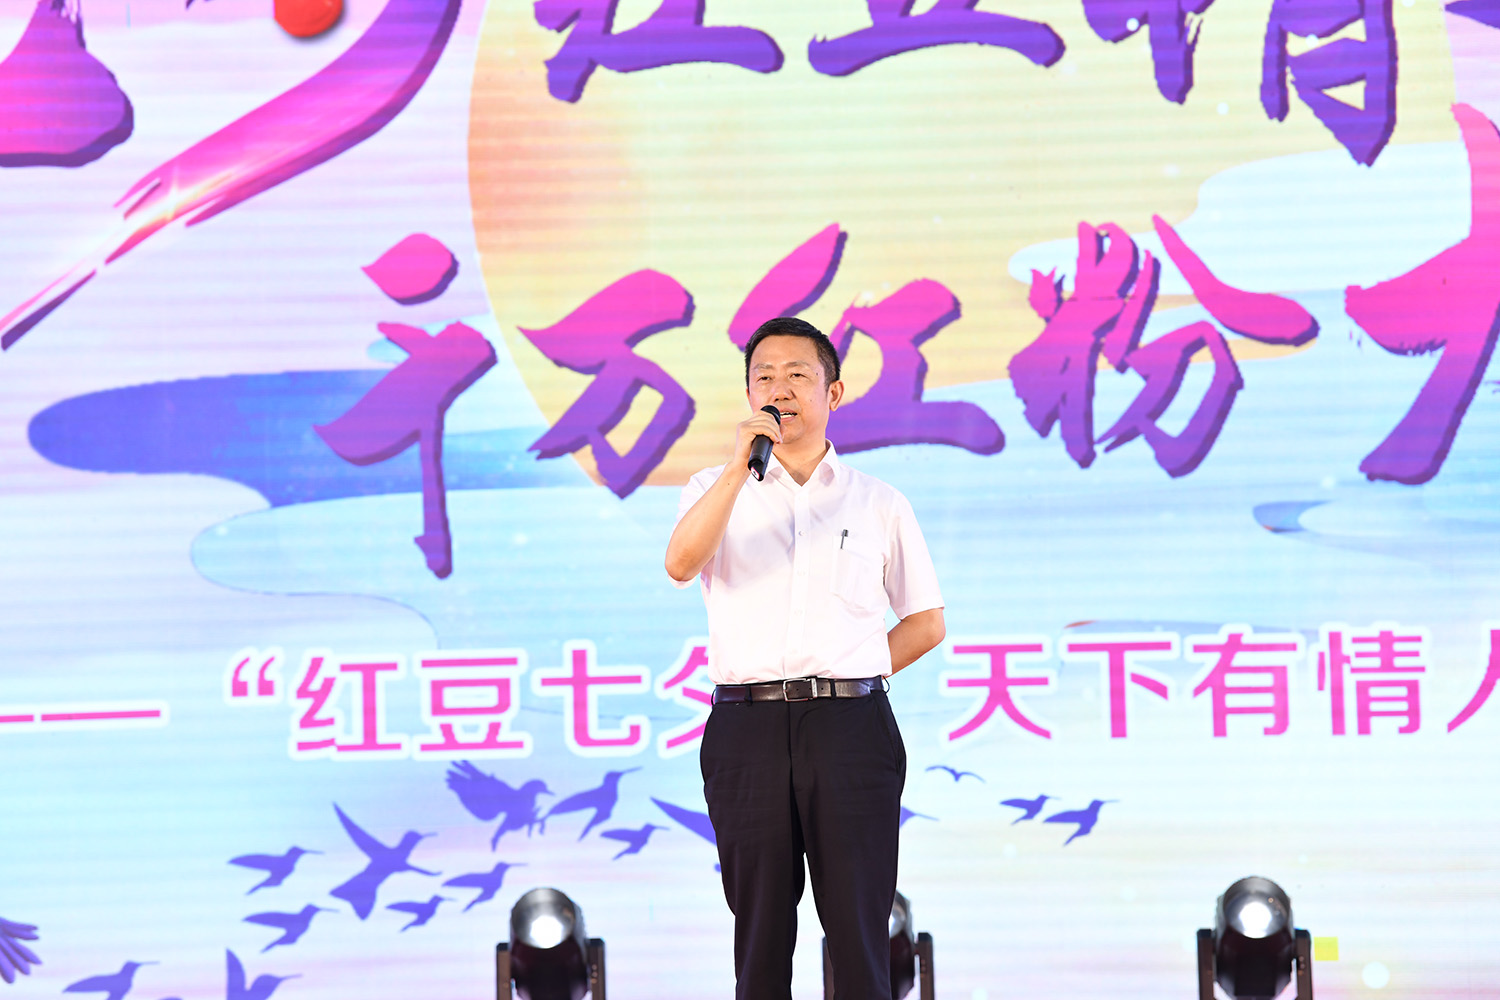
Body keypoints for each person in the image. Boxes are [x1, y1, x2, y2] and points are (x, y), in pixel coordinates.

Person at [665, 316, 946, 1000]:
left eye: (797, 375)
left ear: (833, 392)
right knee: (760, 934)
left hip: (850, 728)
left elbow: (926, 622)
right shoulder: (712, 488)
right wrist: (737, 469)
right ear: (749, 394)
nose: (779, 389)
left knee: (859, 932)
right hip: (747, 728)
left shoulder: (877, 502)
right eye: (764, 377)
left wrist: (853, 665)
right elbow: (680, 564)